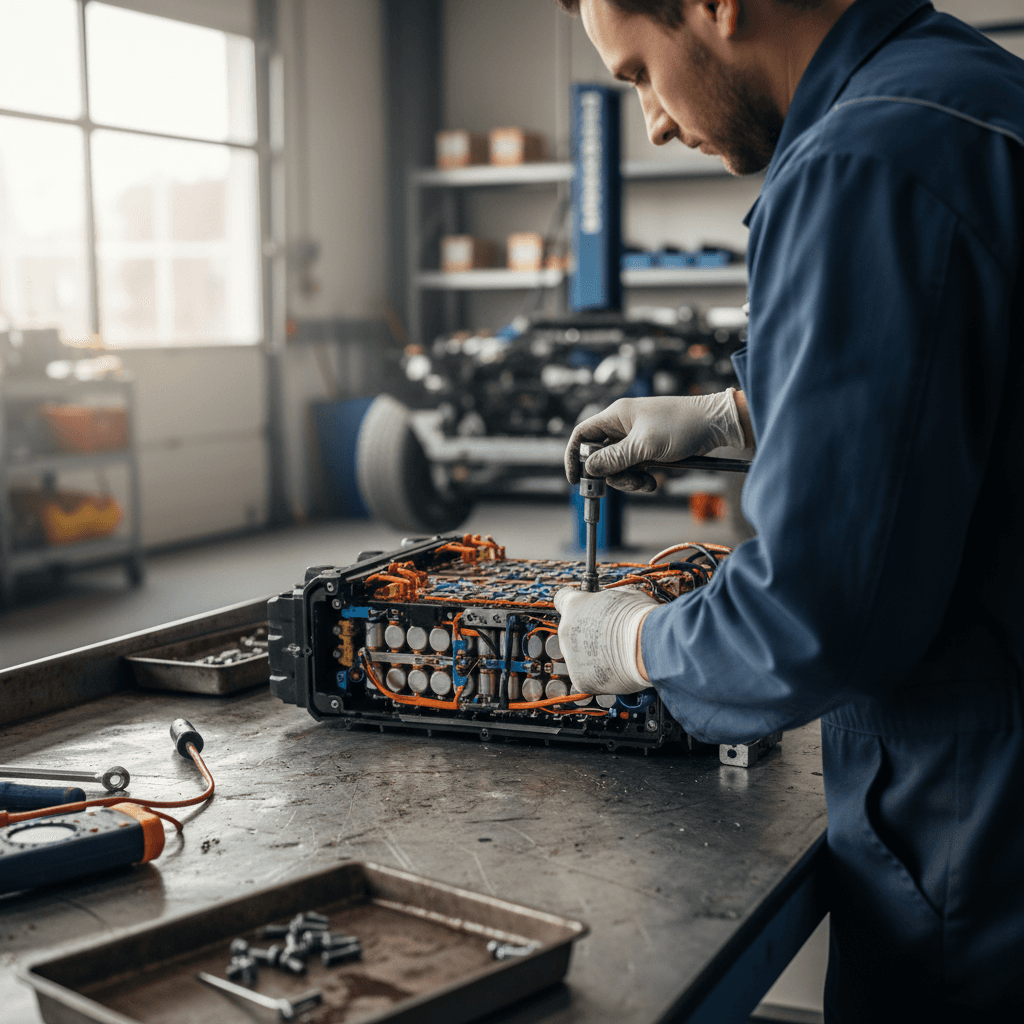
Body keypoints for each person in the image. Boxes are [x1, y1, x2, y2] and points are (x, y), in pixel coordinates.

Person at [553, 0, 1024, 1019]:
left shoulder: (861, 161)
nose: (654, 123)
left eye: (638, 74)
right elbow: (967, 388)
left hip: (980, 842)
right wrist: (738, 416)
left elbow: (816, 617)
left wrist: (636, 642)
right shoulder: (970, 90)